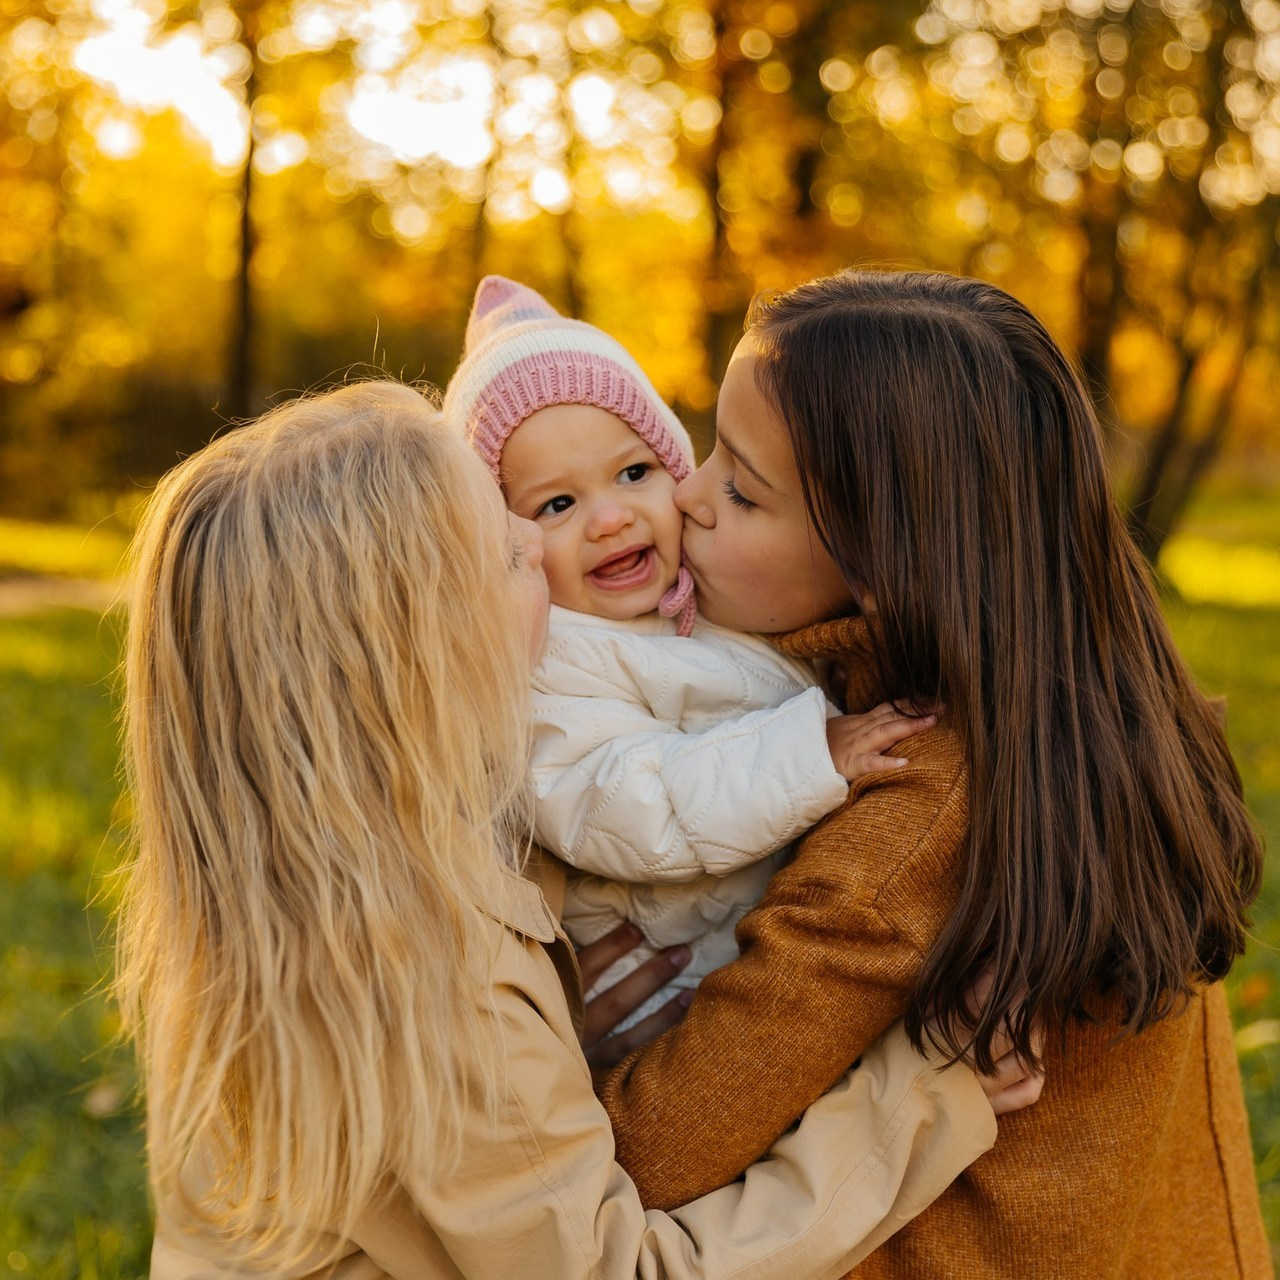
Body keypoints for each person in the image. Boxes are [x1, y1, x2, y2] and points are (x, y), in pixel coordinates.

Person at [116, 381, 1039, 1279]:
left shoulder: (324, 886)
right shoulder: (431, 992)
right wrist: (925, 1092)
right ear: (424, 656)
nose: (537, 539)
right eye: (506, 552)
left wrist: (552, 1027)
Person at [598, 270, 1271, 1277]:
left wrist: (556, 1050)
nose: (685, 493)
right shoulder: (1098, 716)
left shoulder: (913, 810)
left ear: (888, 565)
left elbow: (646, 1156)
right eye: (710, 449)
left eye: (741, 489)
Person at [443, 276, 933, 1028]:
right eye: (558, 504)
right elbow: (629, 805)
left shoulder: (703, 599)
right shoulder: (548, 668)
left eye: (634, 473)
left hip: (761, 950)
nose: (611, 518)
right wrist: (812, 753)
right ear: (505, 542)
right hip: (669, 997)